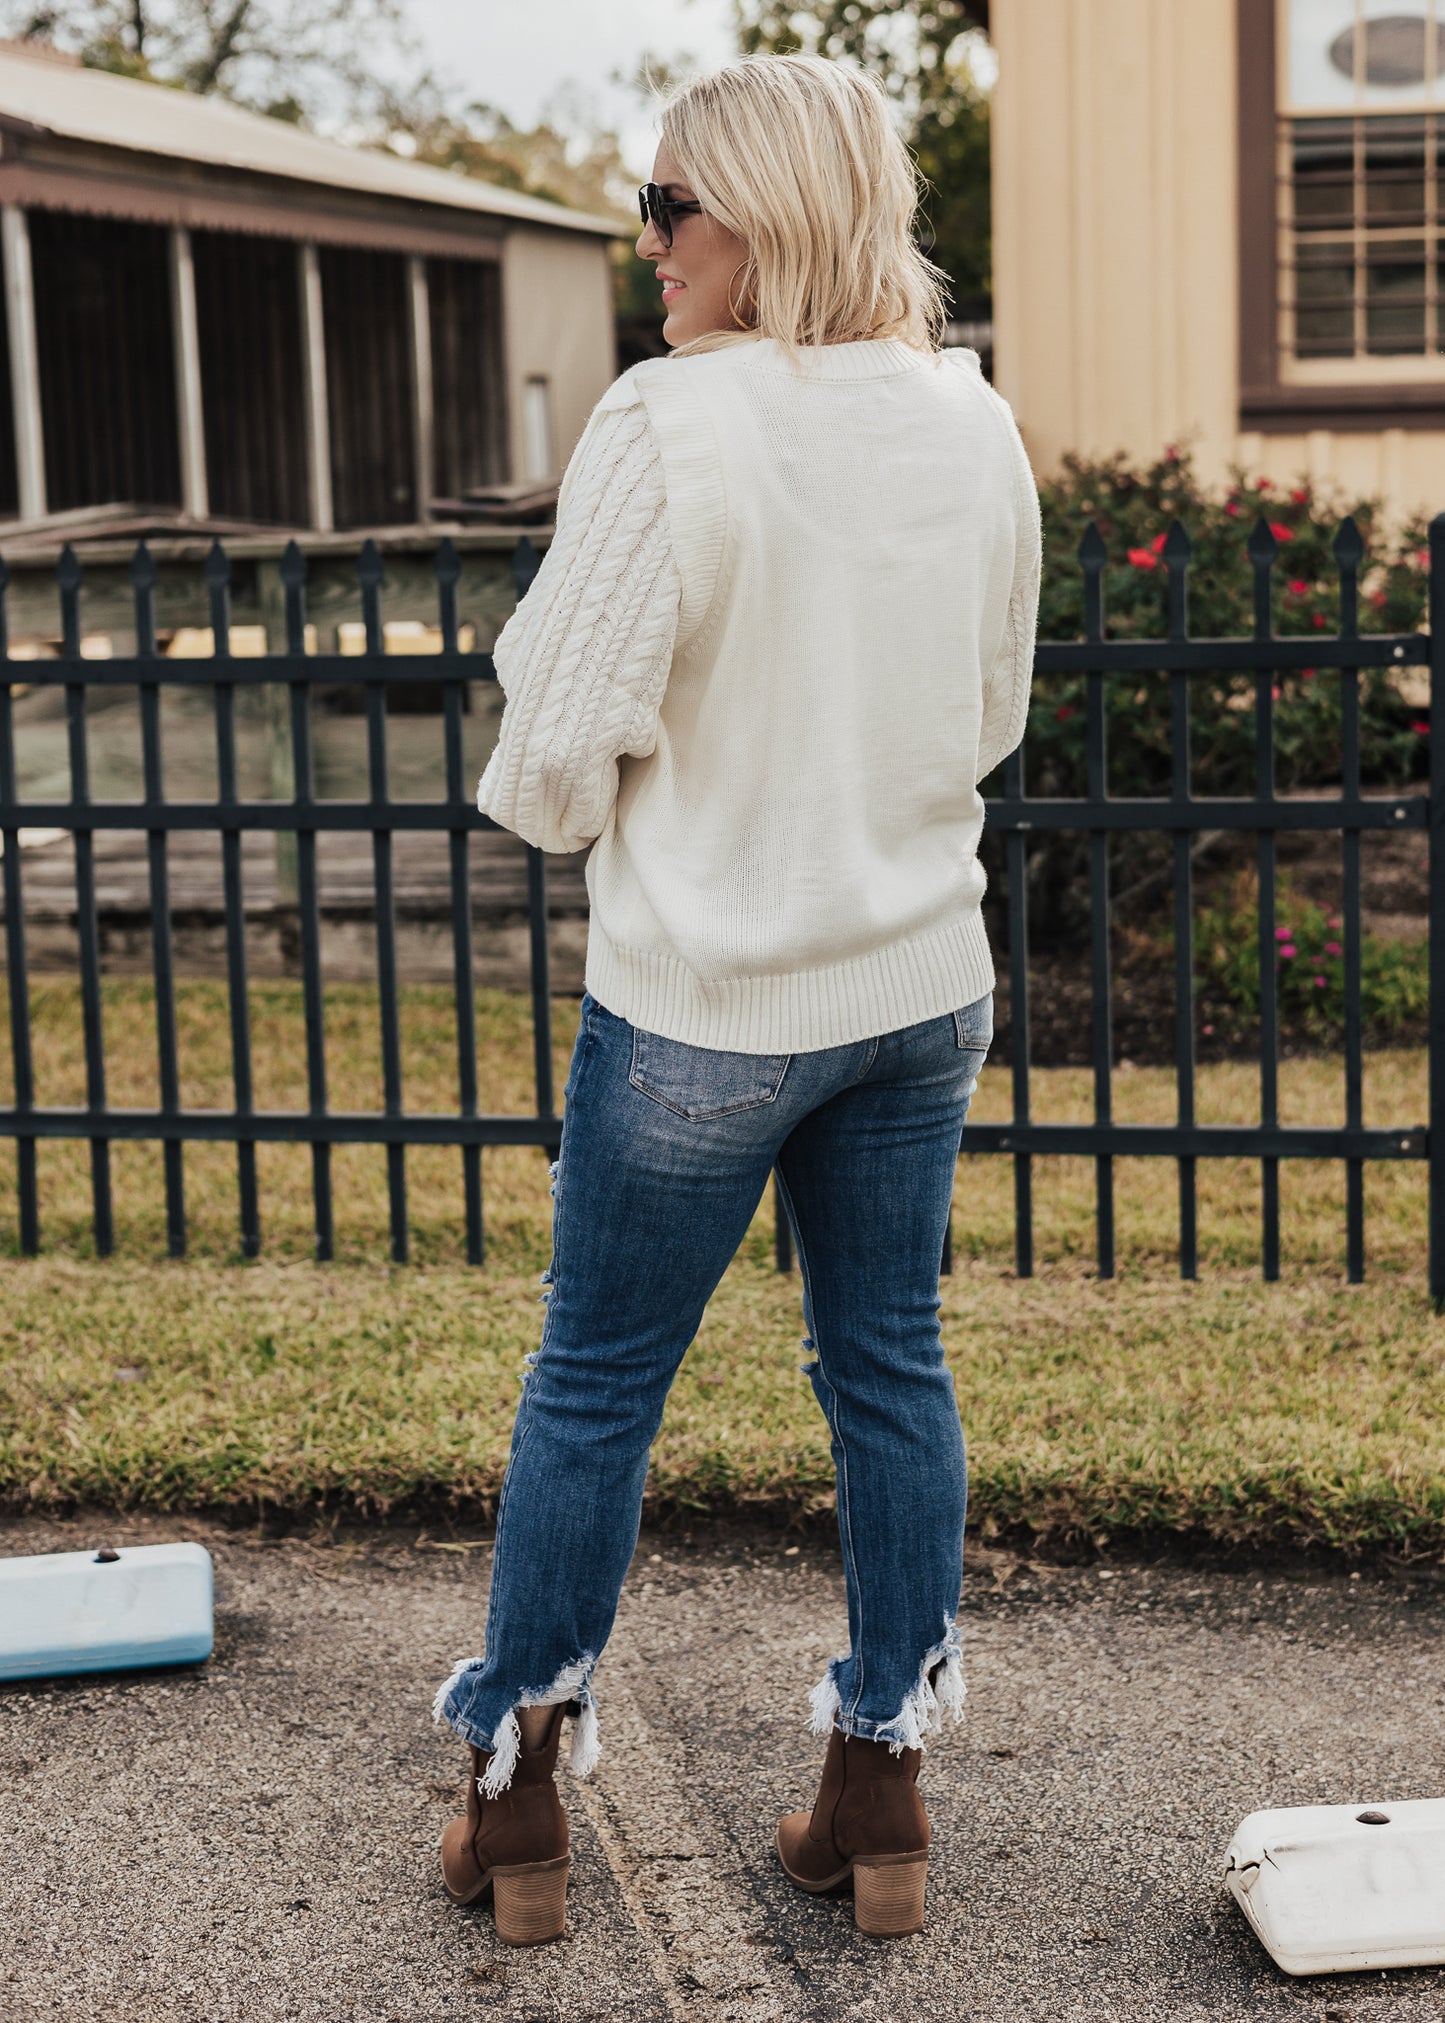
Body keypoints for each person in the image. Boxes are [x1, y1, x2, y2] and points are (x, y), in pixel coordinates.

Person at [433, 51, 1041, 1947]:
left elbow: (546, 771)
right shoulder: (971, 419)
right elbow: (989, 716)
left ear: (761, 217)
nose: (647, 242)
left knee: (596, 1386)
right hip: (917, 987)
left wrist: (625, 760)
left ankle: (516, 1796)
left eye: (668, 206)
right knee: (888, 1369)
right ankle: (878, 1780)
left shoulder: (667, 425)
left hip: (703, 1004)